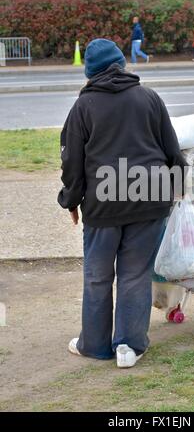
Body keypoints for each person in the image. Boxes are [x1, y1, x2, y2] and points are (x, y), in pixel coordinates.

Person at [58, 38, 186, 368]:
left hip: (104, 205)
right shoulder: (149, 98)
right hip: (150, 197)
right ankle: (129, 348)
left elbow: (72, 163)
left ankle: (96, 345)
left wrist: (70, 201)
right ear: (121, 64)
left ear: (90, 71)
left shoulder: (82, 108)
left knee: (98, 276)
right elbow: (173, 151)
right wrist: (178, 190)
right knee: (135, 274)